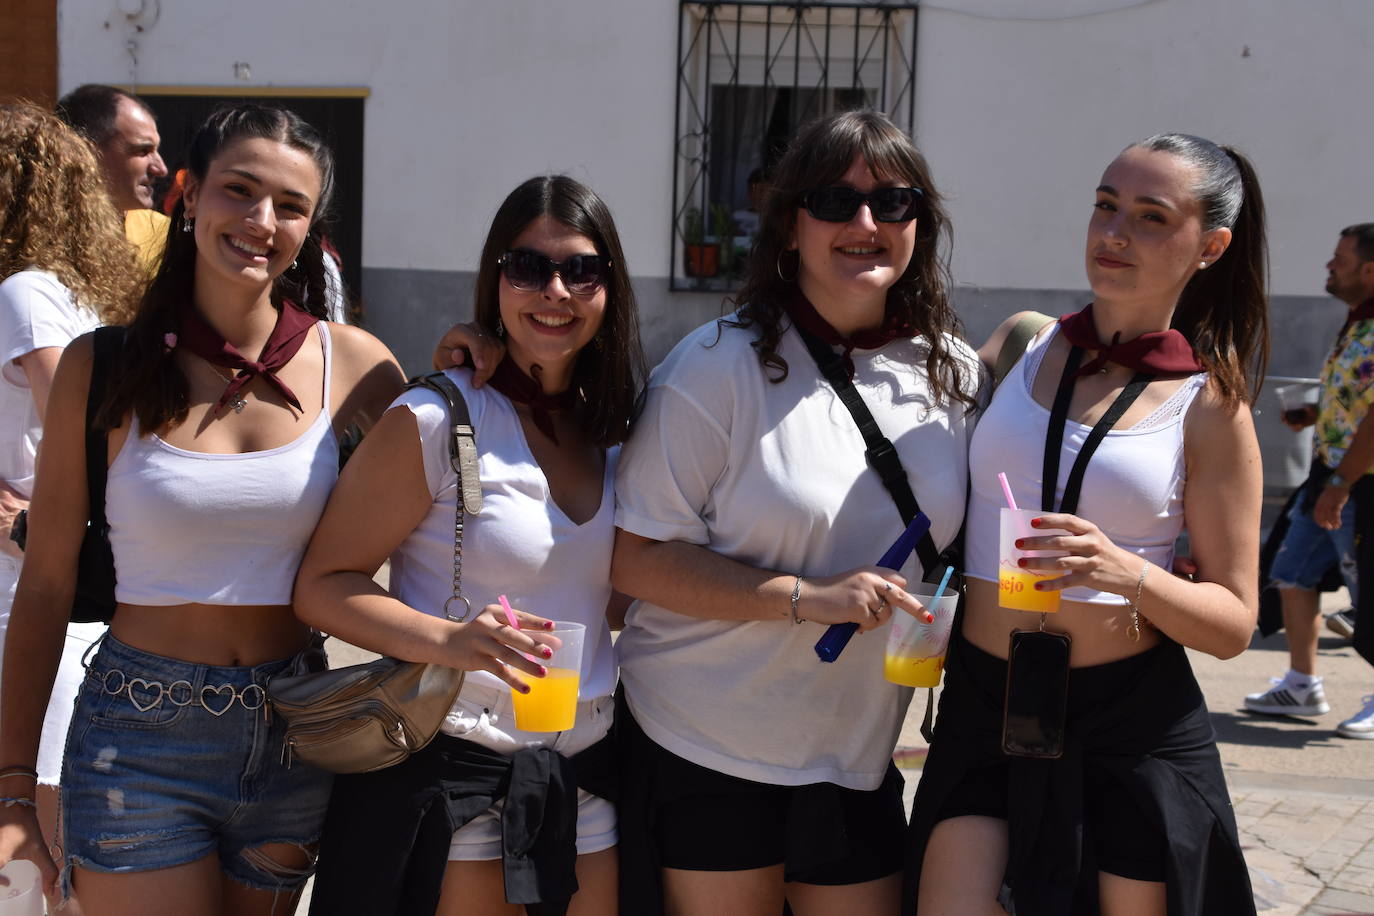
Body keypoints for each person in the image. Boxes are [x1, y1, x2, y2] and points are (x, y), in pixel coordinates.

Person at [0, 104, 412, 916]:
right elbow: (45, 586)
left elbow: (459, 491)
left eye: (290, 206)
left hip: (294, 730)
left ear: (310, 227)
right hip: (137, 736)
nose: (262, 222)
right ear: (189, 195)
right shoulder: (104, 365)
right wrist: (14, 789)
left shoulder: (353, 365)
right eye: (240, 191)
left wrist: (485, 351)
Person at [610, 109, 982, 915]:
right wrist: (807, 601)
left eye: (894, 203)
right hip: (706, 741)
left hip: (854, 753)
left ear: (920, 224)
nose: (864, 224)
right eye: (832, 201)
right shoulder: (716, 368)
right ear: (787, 225)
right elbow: (636, 557)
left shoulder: (950, 372)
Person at [908, 133, 1268, 915]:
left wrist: (1124, 570)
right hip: (986, 701)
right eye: (1106, 206)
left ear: (1209, 246)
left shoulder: (1209, 405)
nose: (1113, 234)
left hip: (1124, 726)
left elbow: (1237, 623)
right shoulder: (1022, 345)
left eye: (1149, 217)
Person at [295, 174, 646, 916]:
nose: (554, 290)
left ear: (609, 288)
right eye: (528, 268)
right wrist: (451, 639)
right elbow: (325, 584)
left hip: (587, 777)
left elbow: (608, 591)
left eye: (580, 270)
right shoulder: (438, 416)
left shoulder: (617, 430)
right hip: (461, 778)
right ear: (496, 281)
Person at [0, 102, 144, 912]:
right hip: (36, 589)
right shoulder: (43, 293)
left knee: (43, 840)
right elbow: (91, 431)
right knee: (43, 844)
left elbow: (85, 433)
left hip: (38, 588)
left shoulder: (30, 293)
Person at [1245, 223, 1374, 738]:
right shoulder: (1358, 324)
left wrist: (1342, 484)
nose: (1329, 266)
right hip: (1331, 478)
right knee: (1292, 573)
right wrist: (1315, 416)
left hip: (1357, 485)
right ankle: (1302, 683)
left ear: (1370, 270)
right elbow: (1356, 403)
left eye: (1338, 259)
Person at [56, 84, 171, 273]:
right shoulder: (35, 237)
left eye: (156, 150)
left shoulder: (165, 238)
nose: (161, 169)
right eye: (143, 151)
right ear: (86, 152)